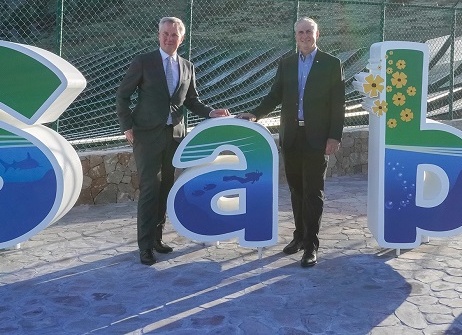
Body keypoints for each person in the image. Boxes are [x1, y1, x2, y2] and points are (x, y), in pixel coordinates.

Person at [117, 16, 230, 266]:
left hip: (174, 136)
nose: (169, 38)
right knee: (150, 189)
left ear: (182, 38)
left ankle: (157, 239)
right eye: (165, 34)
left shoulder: (187, 66)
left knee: (166, 187)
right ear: (159, 35)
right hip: (146, 136)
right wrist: (127, 127)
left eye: (174, 35)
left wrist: (211, 112)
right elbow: (122, 96)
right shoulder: (143, 62)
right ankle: (145, 246)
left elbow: (191, 100)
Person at [237, 17, 344, 268]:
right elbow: (274, 94)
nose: (304, 36)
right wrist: (255, 113)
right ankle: (298, 236)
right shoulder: (286, 64)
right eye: (300, 32)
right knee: (296, 190)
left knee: (313, 193)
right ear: (295, 36)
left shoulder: (331, 64)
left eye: (309, 32)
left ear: (318, 34)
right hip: (292, 137)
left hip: (317, 138)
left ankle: (311, 246)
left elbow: (338, 103)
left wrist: (334, 136)